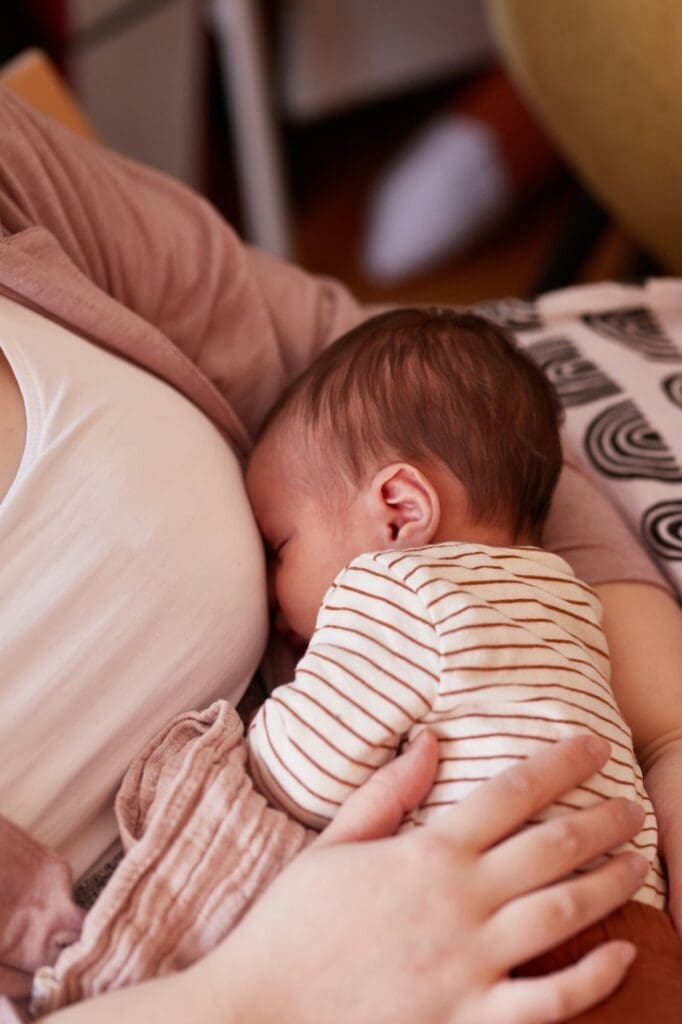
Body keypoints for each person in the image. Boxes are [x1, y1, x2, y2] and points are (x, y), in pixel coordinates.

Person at [1, 84, 681, 1023]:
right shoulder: (556, 591)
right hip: (583, 915)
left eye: (279, 545)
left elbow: (305, 759)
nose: (274, 583)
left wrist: (677, 745)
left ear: (402, 508)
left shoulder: (397, 596)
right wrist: (262, 991)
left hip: (509, 926)